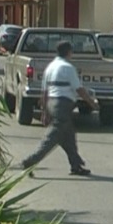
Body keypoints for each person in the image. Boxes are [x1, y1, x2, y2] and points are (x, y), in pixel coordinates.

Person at [18, 40, 98, 176]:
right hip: (63, 105)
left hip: (51, 103)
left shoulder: (50, 67)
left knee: (68, 137)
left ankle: (76, 165)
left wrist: (44, 111)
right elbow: (79, 89)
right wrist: (91, 103)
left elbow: (44, 92)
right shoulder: (68, 67)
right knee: (51, 139)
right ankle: (30, 161)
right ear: (68, 52)